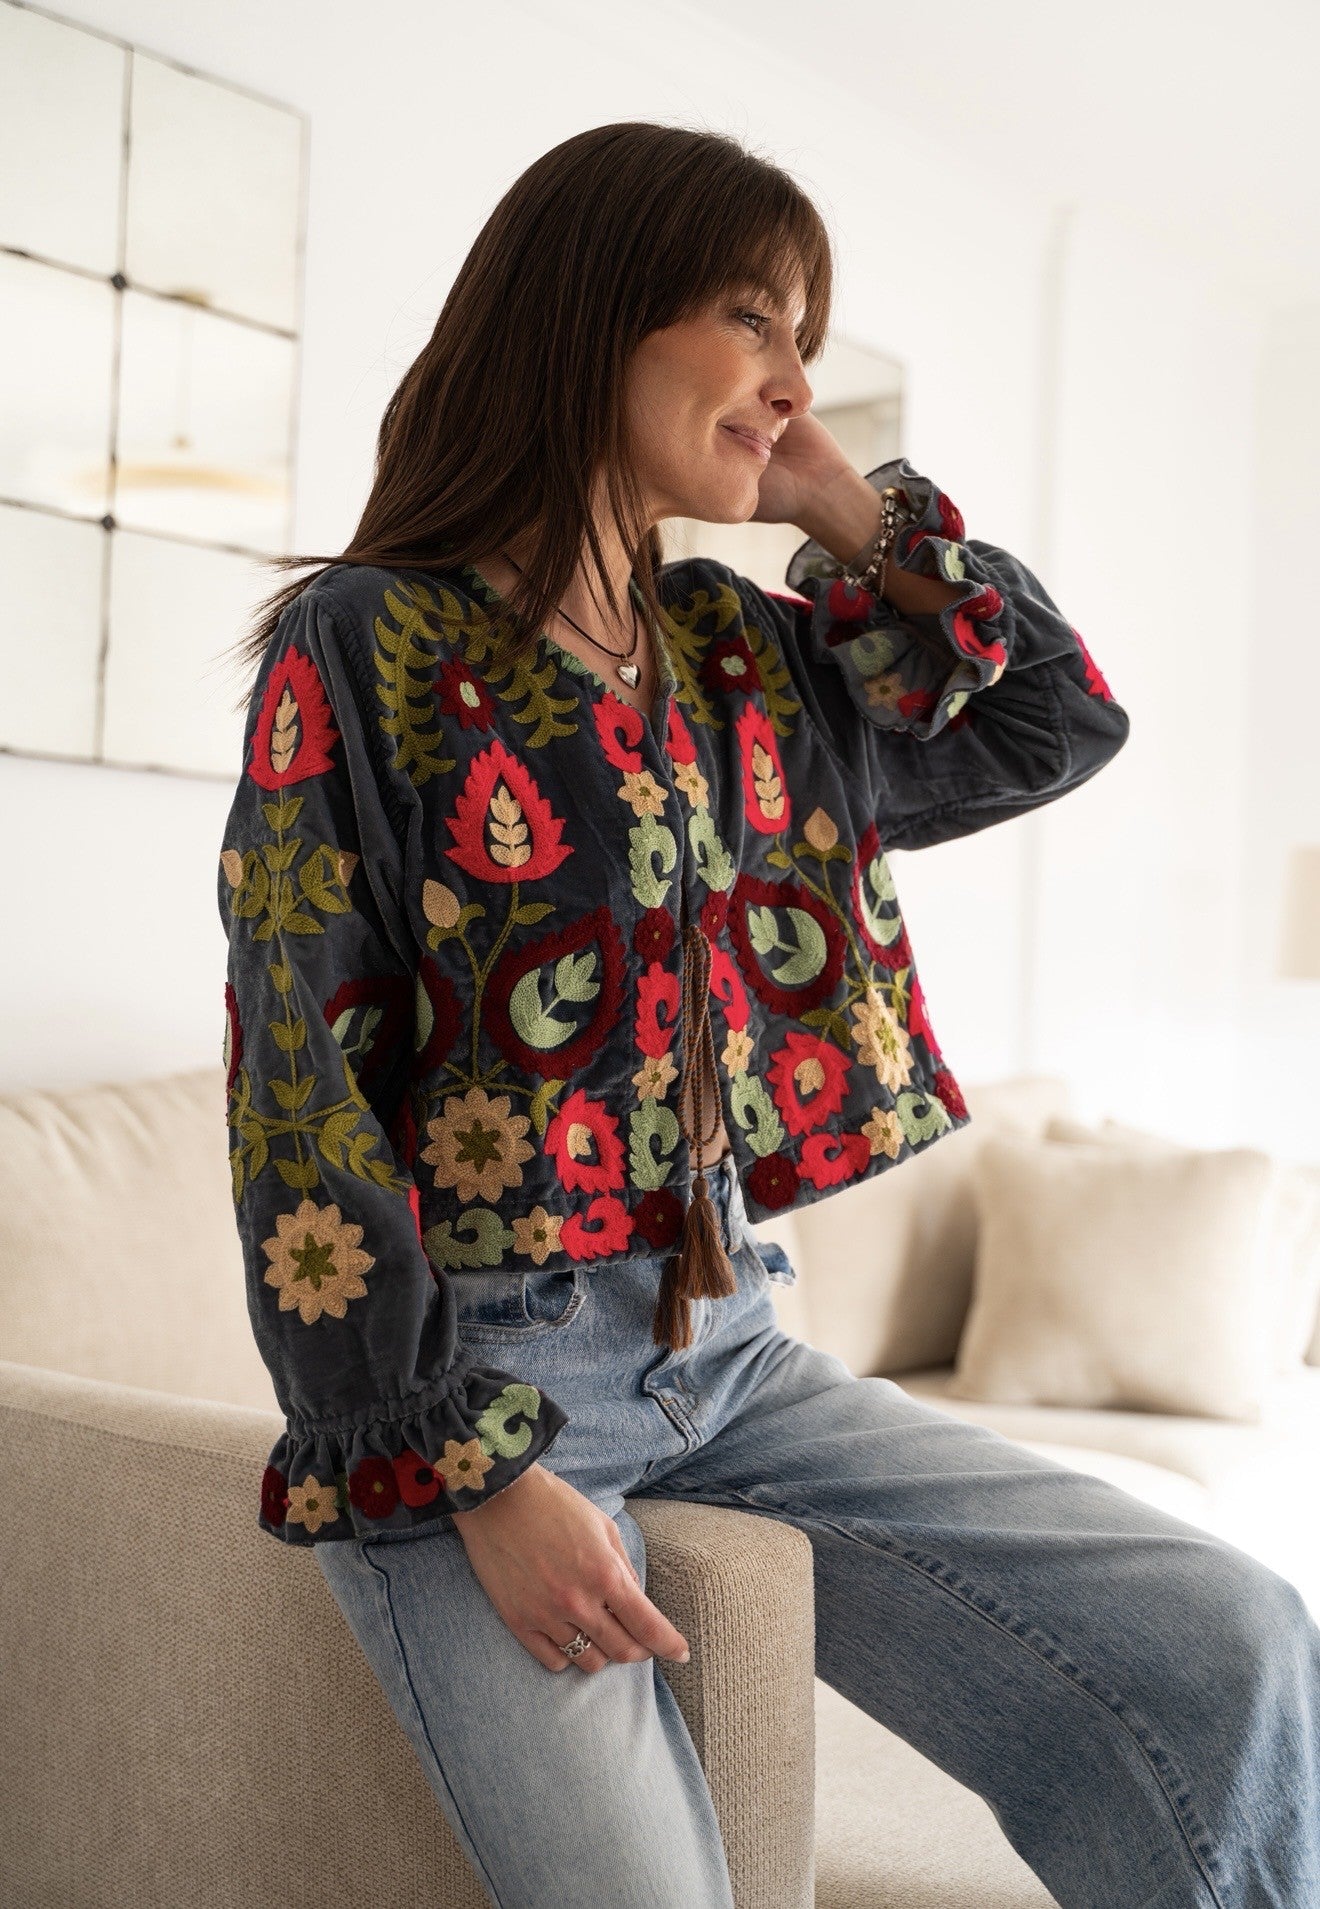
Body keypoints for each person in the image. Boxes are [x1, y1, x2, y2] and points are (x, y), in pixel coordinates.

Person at [218, 121, 1320, 1909]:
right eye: (753, 317)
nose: (793, 375)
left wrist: (850, 510)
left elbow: (1050, 719)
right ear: (594, 315)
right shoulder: (364, 646)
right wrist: (472, 1471)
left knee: (1237, 1645)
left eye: (806, 332)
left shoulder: (737, 655)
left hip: (735, 1358)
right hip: (481, 1385)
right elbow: (300, 1100)